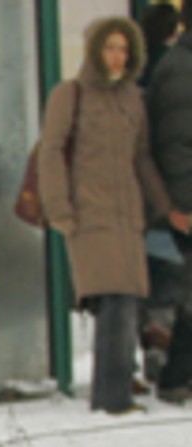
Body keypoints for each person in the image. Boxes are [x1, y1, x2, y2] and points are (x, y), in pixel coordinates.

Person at [39, 15, 186, 415]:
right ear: (94, 50)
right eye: (110, 47)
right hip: (88, 215)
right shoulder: (70, 95)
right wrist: (60, 210)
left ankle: (115, 391)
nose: (117, 56)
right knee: (115, 303)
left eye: (124, 49)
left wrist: (166, 207)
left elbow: (141, 159)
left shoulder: (132, 100)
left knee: (125, 304)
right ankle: (111, 398)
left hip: (127, 217)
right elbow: (51, 152)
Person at [146, 4, 192, 401]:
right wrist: (182, 207)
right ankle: (176, 378)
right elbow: (175, 146)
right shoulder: (181, 70)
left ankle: (178, 377)